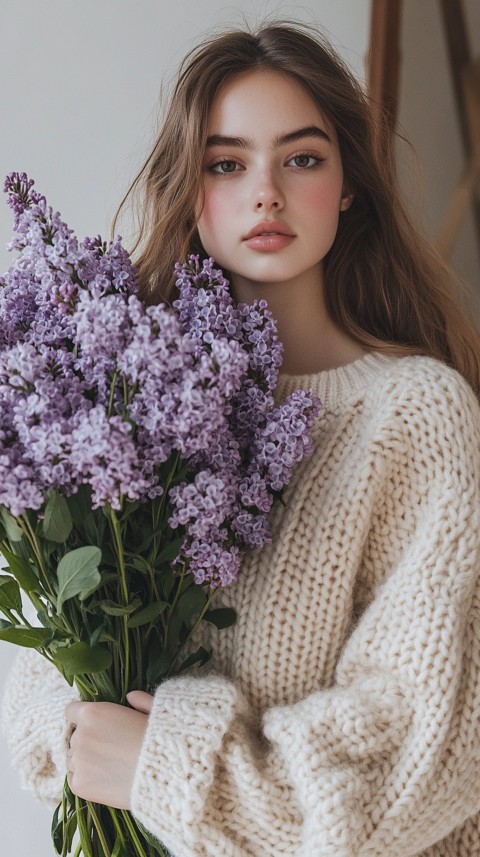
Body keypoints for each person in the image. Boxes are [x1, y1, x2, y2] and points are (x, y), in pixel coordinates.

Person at [2, 19, 480, 857]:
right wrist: (74, 729)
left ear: (349, 185)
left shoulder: (418, 415)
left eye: (302, 158)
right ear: (192, 189)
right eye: (228, 164)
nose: (266, 191)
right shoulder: (120, 404)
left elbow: (429, 738)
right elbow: (41, 658)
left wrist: (174, 764)